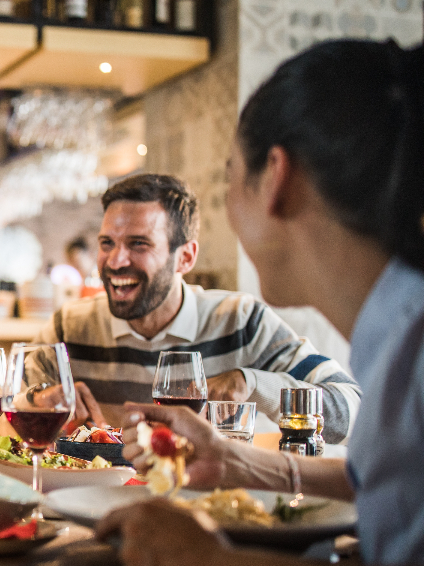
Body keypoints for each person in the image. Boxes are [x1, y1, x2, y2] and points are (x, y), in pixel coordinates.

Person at [97, 39, 424, 566]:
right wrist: (239, 461)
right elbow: (393, 482)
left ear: (275, 177)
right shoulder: (398, 326)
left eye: (229, 182)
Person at [34, 173, 361, 441]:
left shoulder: (242, 322)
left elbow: (352, 409)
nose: (116, 261)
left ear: (186, 257)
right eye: (107, 243)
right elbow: (13, 398)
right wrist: (40, 400)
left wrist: (254, 384)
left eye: (139, 244)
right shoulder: (70, 325)